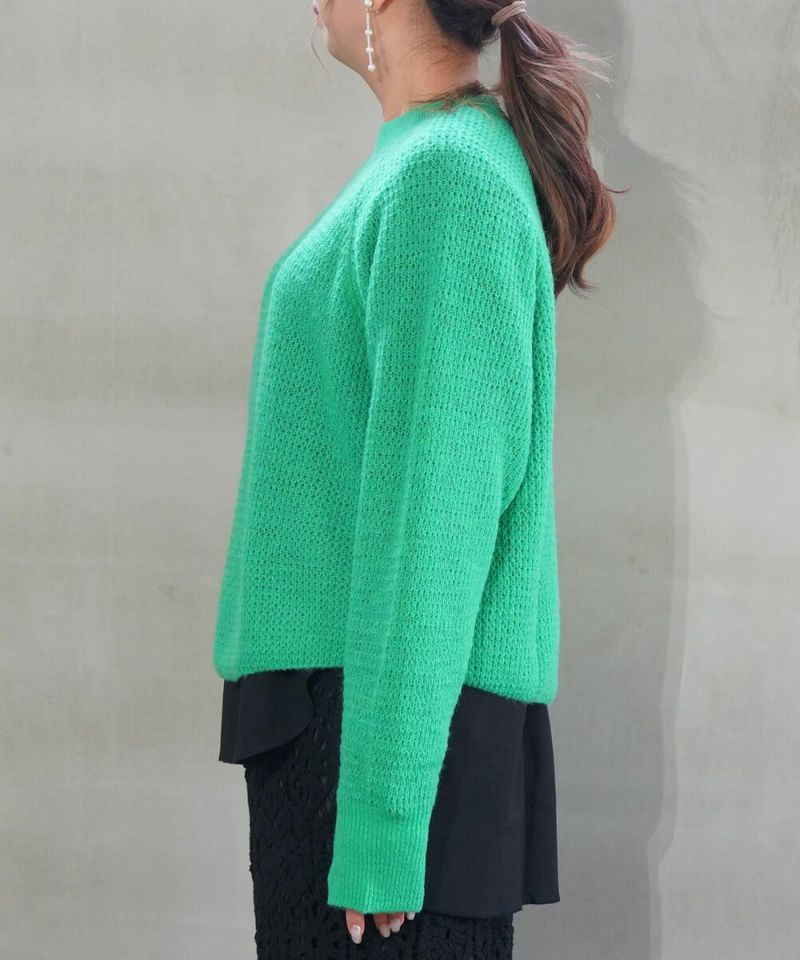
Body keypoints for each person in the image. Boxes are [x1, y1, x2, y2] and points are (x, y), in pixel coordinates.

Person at [213, 1, 619, 957]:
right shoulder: (422, 162)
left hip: (385, 745)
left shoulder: (449, 180)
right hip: (346, 730)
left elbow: (431, 522)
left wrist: (385, 820)